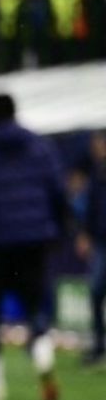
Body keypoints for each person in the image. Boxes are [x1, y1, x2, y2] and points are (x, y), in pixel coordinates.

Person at [0, 93, 69, 400]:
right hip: (33, 240)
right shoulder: (38, 145)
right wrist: (56, 229)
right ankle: (43, 359)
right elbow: (57, 190)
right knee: (35, 307)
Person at [82, 131, 106, 365]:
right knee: (96, 293)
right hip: (100, 241)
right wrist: (86, 234)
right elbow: (92, 207)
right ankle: (99, 346)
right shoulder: (97, 173)